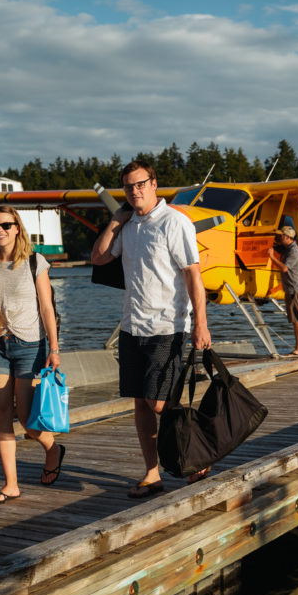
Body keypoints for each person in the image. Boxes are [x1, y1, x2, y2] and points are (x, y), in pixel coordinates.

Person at [90, 161, 211, 498]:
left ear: (154, 184)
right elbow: (99, 257)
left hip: (167, 325)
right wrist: (116, 220)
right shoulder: (128, 226)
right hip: (132, 326)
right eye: (128, 187)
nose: (135, 191)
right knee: (141, 405)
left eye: (141, 184)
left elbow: (192, 274)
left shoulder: (175, 222)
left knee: (158, 402)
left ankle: (198, 453)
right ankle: (152, 473)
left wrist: (199, 323)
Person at [0, 205, 64, 504]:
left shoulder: (34, 262)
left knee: (26, 418)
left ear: (17, 228)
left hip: (30, 345)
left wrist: (54, 348)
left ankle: (52, 449)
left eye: (5, 225)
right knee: (0, 412)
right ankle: (10, 484)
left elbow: (47, 307)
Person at [267, 226, 298, 356]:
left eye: (281, 236)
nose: (278, 238)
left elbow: (285, 268)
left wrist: (271, 257)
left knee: (296, 320)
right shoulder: (287, 248)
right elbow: (277, 248)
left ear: (287, 237)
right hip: (295, 289)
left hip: (294, 290)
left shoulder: (294, 252)